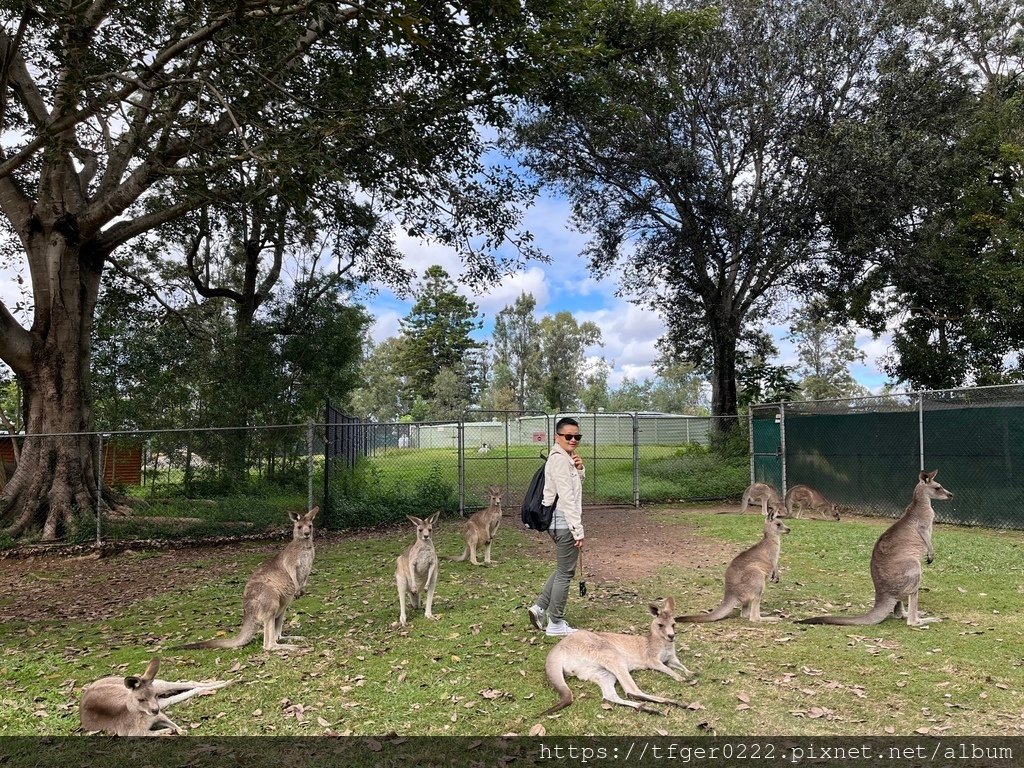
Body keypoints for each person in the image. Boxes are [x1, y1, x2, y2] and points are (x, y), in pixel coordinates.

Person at [527, 417, 585, 636]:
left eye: (577, 436)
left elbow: (572, 487)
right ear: (557, 437)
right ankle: (556, 623)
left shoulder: (563, 457)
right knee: (565, 573)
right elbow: (568, 498)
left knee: (562, 569)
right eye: (568, 436)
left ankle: (539, 606)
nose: (573, 440)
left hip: (558, 522)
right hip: (564, 522)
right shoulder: (560, 460)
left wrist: (579, 469)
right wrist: (577, 531)